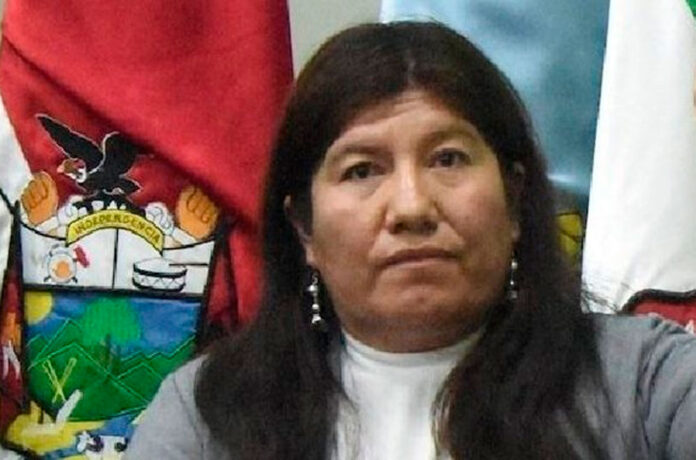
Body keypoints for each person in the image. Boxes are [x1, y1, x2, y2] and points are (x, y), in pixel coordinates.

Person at [125, 22, 696, 460]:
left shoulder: (646, 382)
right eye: (362, 170)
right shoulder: (208, 416)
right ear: (304, 229)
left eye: (448, 159)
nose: (412, 207)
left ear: (515, 200)